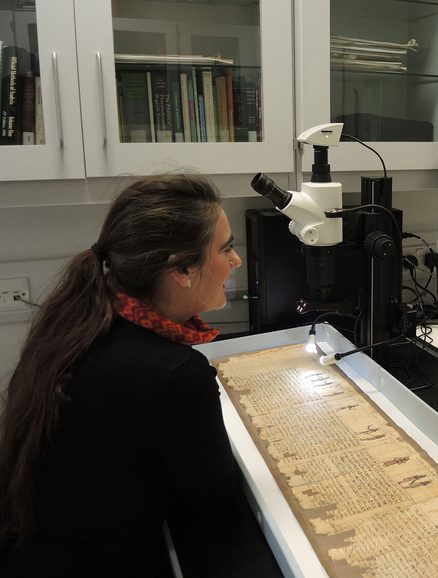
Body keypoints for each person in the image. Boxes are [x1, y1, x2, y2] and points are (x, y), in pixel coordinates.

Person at [0, 174, 272, 577]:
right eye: (225, 248)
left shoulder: (81, 323)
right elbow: (212, 496)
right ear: (181, 268)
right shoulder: (173, 373)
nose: (236, 261)